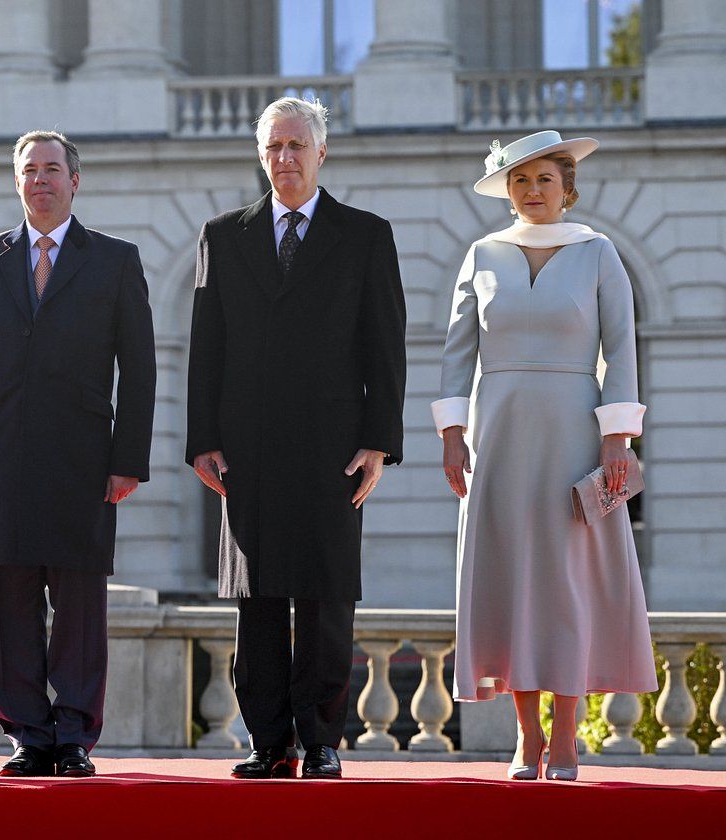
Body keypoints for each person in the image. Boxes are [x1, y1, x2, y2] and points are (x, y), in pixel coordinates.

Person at [186, 98, 406, 780]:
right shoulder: (224, 236)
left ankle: (320, 740)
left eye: (296, 146)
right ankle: (266, 740)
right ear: (261, 155)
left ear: (321, 153)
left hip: (333, 446)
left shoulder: (365, 235)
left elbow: (385, 346)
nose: (285, 158)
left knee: (325, 596)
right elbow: (207, 347)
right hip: (247, 448)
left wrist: (379, 440)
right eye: (274, 147)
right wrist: (201, 440)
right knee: (256, 598)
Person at [433, 130, 657, 782]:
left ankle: (565, 739)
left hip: (573, 431)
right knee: (509, 577)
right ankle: (526, 738)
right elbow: (456, 353)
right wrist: (452, 432)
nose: (533, 192)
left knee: (566, 582)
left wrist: (617, 437)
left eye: (544, 181)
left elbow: (622, 348)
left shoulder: (597, 253)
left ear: (568, 188)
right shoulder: (481, 254)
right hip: (497, 433)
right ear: (508, 190)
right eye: (521, 181)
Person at [0, 130, 156, 778]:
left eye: (52, 168)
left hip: (83, 460)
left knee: (80, 608)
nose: (41, 179)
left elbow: (139, 369)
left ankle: (73, 738)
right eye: (29, 169)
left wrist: (129, 459)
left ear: (74, 181)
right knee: (7, 603)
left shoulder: (115, 261)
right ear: (17, 182)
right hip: (0, 458)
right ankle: (28, 736)